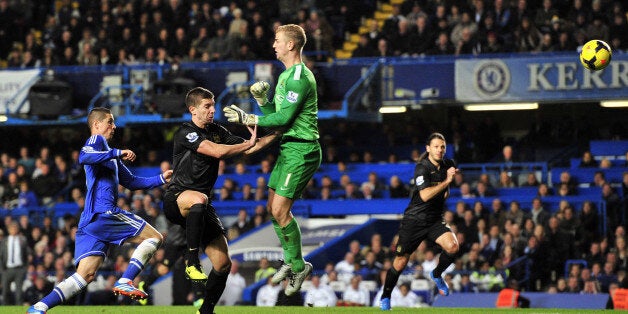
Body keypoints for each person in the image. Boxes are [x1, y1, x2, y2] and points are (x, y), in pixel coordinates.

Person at [27, 107, 173, 313]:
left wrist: (160, 179)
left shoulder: (107, 155)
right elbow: (84, 157)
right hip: (104, 213)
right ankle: (126, 280)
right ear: (96, 124)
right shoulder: (97, 142)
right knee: (155, 237)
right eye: (110, 122)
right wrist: (118, 152)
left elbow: (130, 181)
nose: (114, 126)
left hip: (90, 222)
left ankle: (39, 307)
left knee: (84, 276)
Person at [223, 23, 321, 296]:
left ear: (291, 45)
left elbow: (286, 119)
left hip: (302, 149)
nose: (274, 45)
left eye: (277, 40)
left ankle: (299, 264)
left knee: (279, 210)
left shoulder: (300, 77)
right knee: (272, 208)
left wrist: (248, 116)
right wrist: (263, 101)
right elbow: (276, 121)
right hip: (288, 148)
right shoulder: (285, 76)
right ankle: (292, 262)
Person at [163, 87, 279, 314]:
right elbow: (215, 151)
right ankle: (192, 262)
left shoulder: (217, 130)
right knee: (198, 198)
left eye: (213, 105)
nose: (211, 110)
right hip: (177, 199)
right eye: (206, 106)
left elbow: (250, 146)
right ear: (192, 110)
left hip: (203, 205)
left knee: (223, 264)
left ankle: (206, 310)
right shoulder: (186, 132)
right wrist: (247, 143)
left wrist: (278, 133)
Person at [379, 132, 459, 311]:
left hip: (434, 219)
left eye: (443, 147)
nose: (440, 150)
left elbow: (444, 195)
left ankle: (437, 274)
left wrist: (448, 183)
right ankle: (385, 296)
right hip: (415, 220)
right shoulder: (422, 167)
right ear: (428, 149)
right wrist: (447, 181)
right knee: (400, 261)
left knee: (453, 246)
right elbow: (424, 195)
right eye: (436, 146)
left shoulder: (449, 165)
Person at [1, 221, 30, 305]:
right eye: (12, 228)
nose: (13, 230)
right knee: (5, 291)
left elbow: (26, 254)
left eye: (15, 228)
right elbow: (1, 255)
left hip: (19, 269)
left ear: (18, 229)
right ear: (8, 230)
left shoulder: (22, 240)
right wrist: (2, 269)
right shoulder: (4, 241)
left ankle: (19, 309)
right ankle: (5, 308)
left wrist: (25, 268)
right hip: (7, 269)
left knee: (19, 292)